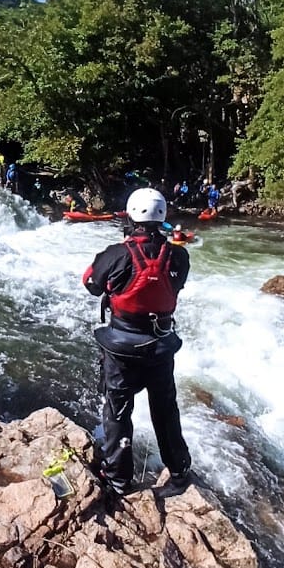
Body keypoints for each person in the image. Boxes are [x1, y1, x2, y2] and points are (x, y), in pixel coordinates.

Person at [82, 187, 191, 496]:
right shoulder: (179, 255)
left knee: (118, 411)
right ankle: (179, 472)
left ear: (131, 216)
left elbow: (90, 283)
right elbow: (177, 285)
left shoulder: (116, 253)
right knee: (165, 410)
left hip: (121, 347)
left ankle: (118, 479)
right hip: (160, 345)